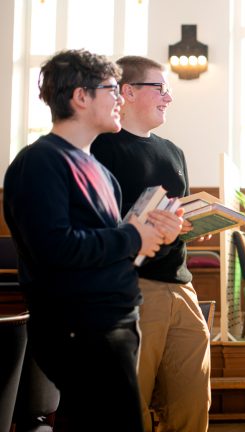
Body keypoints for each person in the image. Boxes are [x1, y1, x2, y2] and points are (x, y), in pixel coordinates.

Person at [2, 49, 171, 431]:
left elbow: (114, 252)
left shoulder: (99, 170)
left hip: (116, 320)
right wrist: (132, 237)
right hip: (78, 328)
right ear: (81, 97)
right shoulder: (41, 162)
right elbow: (54, 249)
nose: (120, 100)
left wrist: (149, 238)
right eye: (113, 90)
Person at [91, 56, 211, 432]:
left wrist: (194, 225)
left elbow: (177, 218)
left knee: (192, 402)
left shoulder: (173, 152)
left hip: (182, 286)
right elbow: (98, 224)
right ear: (127, 92)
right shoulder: (100, 149)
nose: (168, 97)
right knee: (131, 404)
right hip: (134, 289)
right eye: (159, 87)